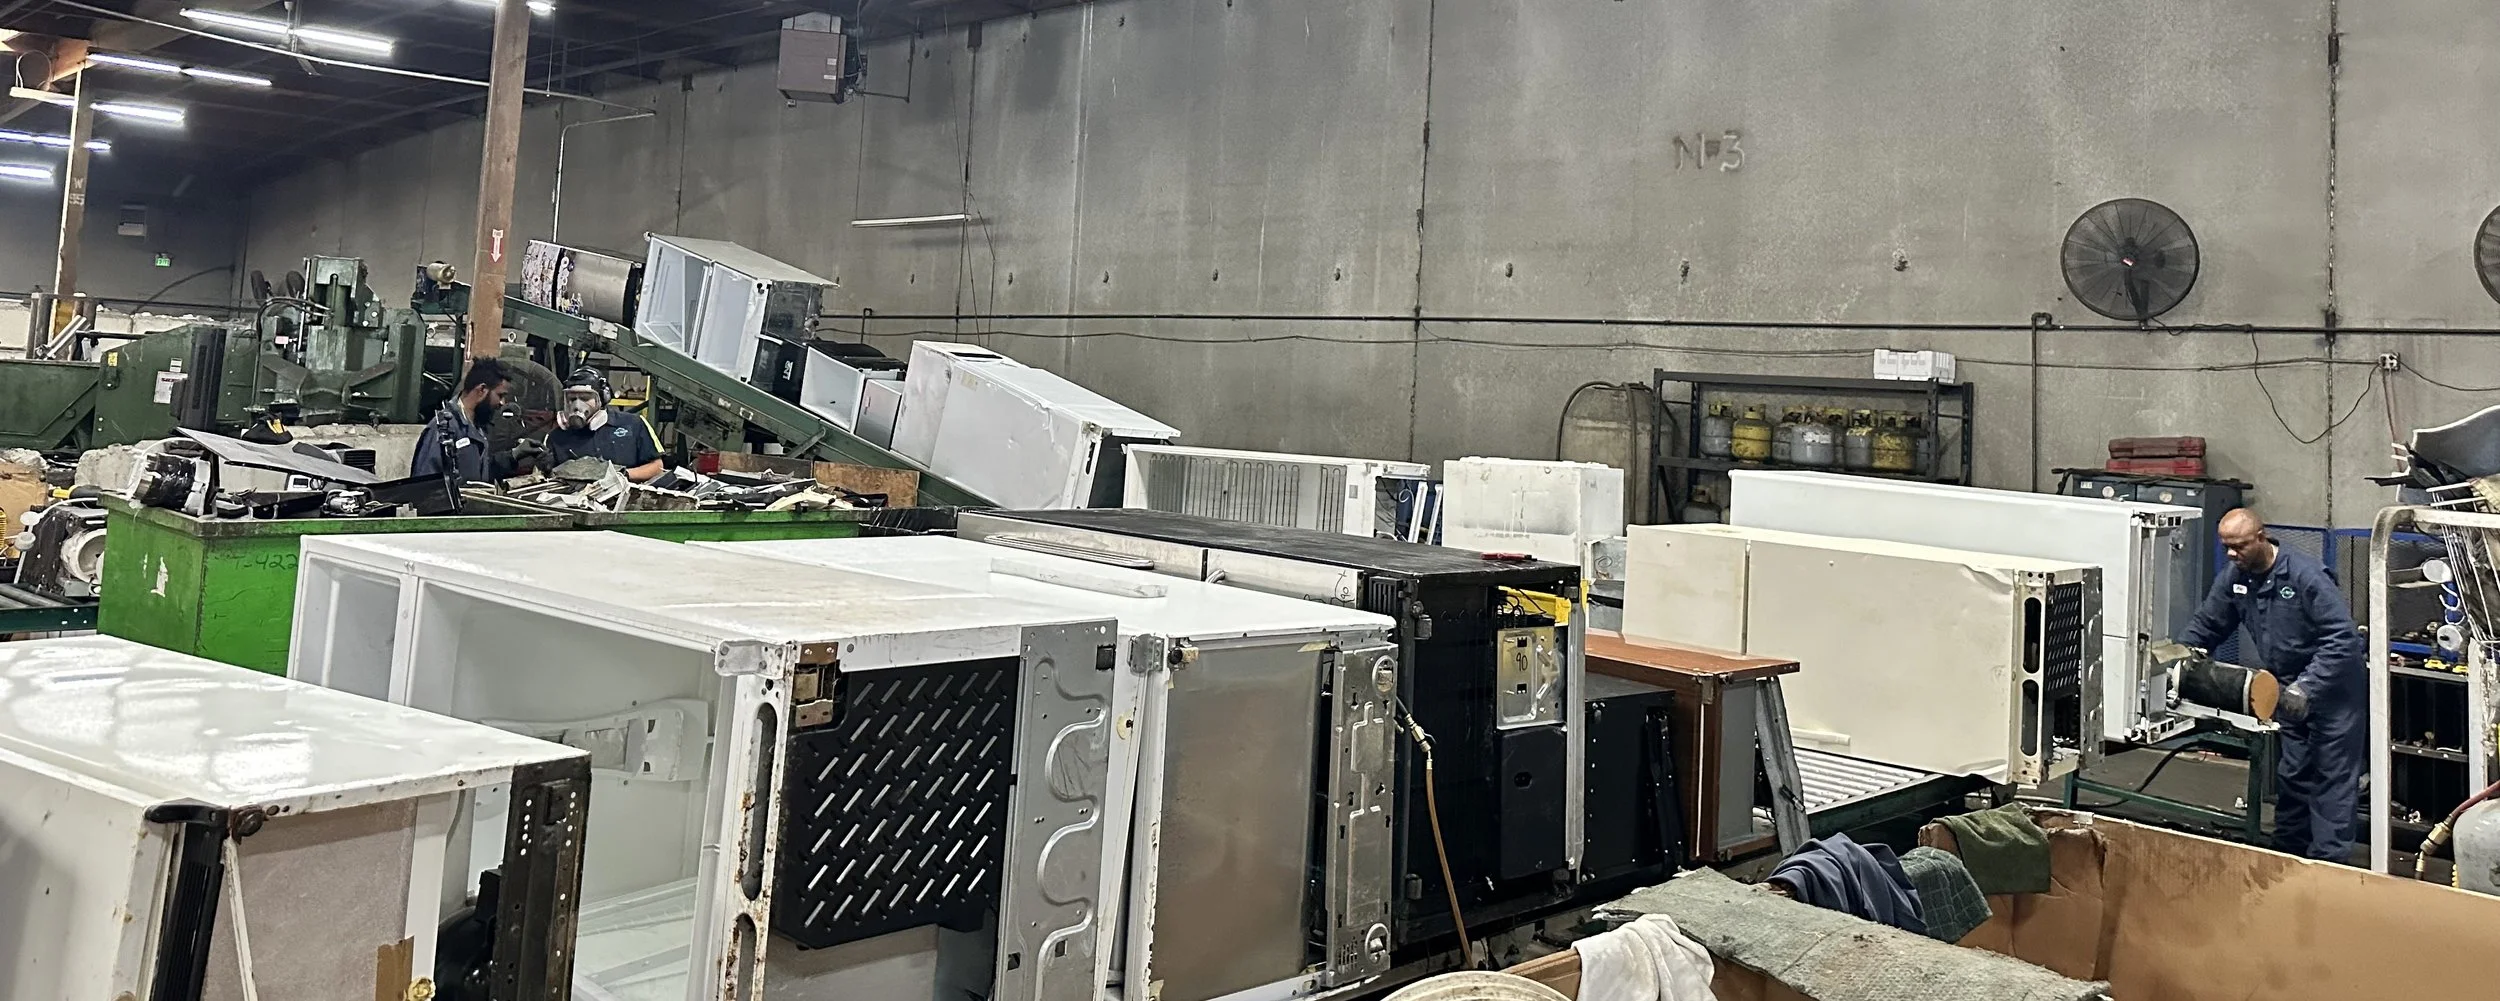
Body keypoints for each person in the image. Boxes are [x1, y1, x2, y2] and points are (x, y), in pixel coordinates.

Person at [2176, 508, 2365, 862]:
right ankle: (2288, 857)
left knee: (2331, 780)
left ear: (2262, 537)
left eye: (2240, 546)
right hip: (2286, 692)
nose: (2232, 554)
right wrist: (2181, 661)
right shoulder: (2237, 576)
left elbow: (2343, 639)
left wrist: (2307, 688)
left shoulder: (2306, 576)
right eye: (2226, 547)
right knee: (2293, 775)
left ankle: (2329, 865)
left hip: (2333, 693)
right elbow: (2209, 623)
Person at [543, 365, 665, 482]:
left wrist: (621, 476)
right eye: (572, 399)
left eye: (585, 398)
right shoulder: (557, 437)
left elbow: (657, 467)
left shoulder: (634, 424)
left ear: (603, 398)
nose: (577, 405)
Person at [412, 358, 511, 483]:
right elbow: (423, 484)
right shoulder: (443, 430)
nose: (502, 403)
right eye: (500, 395)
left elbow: (477, 472)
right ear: (481, 390)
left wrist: (513, 456)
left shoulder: (478, 427)